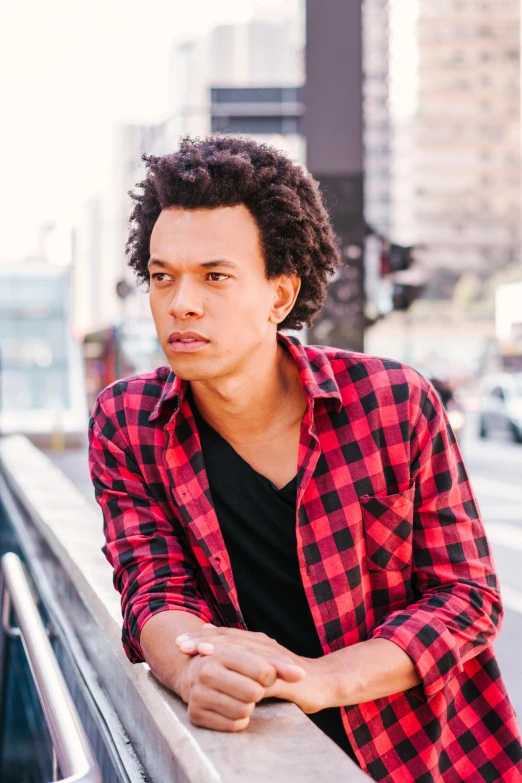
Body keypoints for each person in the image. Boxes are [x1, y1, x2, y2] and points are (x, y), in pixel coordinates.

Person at [88, 136, 521, 782]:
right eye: (162, 276)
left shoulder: (394, 402)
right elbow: (154, 589)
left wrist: (318, 678)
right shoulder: (128, 423)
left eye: (215, 275)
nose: (181, 302)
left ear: (280, 295)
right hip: (257, 762)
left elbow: (466, 597)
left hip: (432, 762)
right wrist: (193, 668)